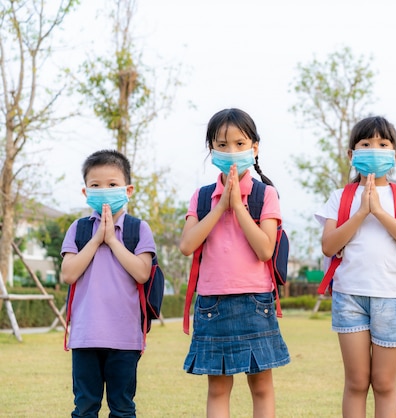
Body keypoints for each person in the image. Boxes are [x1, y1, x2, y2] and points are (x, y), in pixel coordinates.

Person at [314, 116, 396, 418]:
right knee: (355, 382)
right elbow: (329, 245)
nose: (374, 149)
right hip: (349, 295)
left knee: (384, 383)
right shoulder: (340, 197)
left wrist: (378, 211)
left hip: (392, 296)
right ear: (352, 155)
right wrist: (361, 211)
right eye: (365, 144)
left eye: (382, 144)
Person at [179, 108, 290, 418]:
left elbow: (265, 250)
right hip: (212, 303)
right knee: (217, 388)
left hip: (256, 302)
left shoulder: (265, 195)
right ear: (211, 149)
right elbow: (187, 246)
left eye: (240, 144)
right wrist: (219, 207)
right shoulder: (201, 198)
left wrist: (238, 208)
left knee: (262, 387)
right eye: (222, 145)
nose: (231, 152)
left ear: (254, 148)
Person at [61, 149, 156, 417]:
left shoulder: (138, 229)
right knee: (85, 407)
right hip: (85, 336)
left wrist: (112, 240)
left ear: (128, 189)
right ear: (85, 192)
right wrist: (96, 239)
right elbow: (68, 274)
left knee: (123, 408)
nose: (104, 190)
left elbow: (142, 273)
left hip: (125, 338)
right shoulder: (78, 229)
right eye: (96, 185)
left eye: (112, 184)